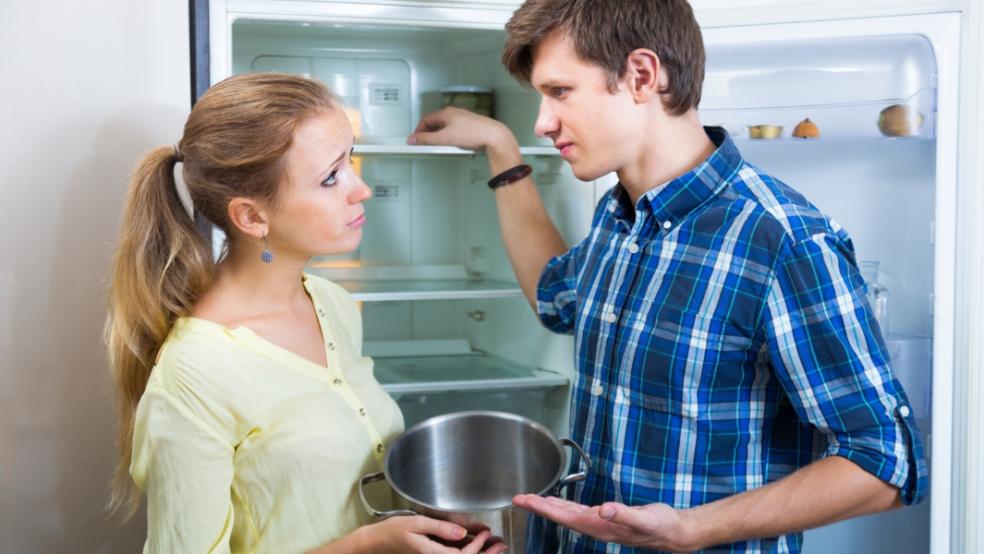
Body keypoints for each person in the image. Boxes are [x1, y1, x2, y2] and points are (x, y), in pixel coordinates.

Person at [406, 0, 927, 552]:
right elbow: (555, 295)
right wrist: (499, 148)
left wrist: (694, 529)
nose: (542, 121)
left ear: (641, 76)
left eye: (559, 92)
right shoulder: (619, 215)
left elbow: (886, 462)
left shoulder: (782, 241)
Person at [105, 72, 504, 554]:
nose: (361, 190)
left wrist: (426, 521)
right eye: (330, 177)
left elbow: (329, 495)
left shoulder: (330, 304)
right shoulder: (195, 373)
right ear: (252, 217)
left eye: (350, 161)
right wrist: (367, 547)